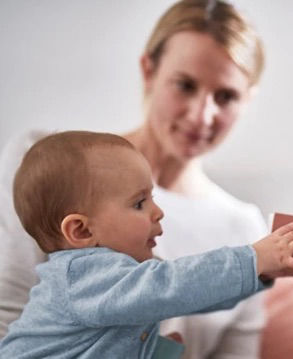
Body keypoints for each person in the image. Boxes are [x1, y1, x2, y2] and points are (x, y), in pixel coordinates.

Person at [0, 1, 271, 357]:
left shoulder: (245, 226)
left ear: (248, 100)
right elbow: (10, 312)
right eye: (185, 85)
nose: (202, 115)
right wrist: (254, 262)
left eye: (226, 96)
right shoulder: (49, 165)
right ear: (148, 70)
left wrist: (265, 268)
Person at [0, 131, 293, 358]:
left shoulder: (121, 283)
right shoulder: (81, 277)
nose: (158, 211)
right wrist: (253, 260)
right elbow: (175, 285)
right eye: (139, 203)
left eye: (152, 197)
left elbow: (192, 296)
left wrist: (264, 272)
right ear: (81, 231)